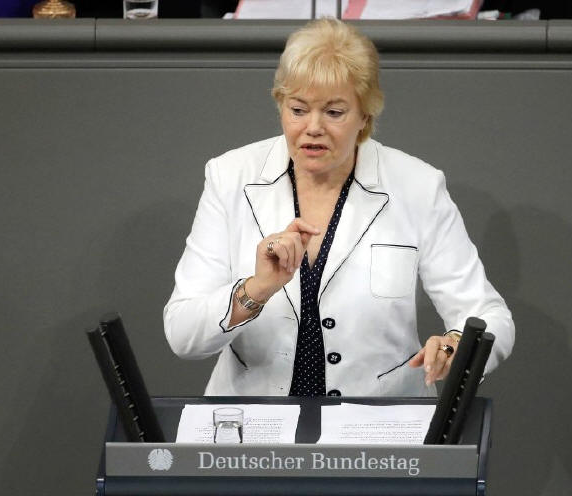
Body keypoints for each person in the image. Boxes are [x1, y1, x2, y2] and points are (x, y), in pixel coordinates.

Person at [164, 18, 514, 397]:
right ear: (280, 105)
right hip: (253, 431)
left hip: (377, 435)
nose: (313, 127)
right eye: (298, 109)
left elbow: (490, 317)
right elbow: (183, 334)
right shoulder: (230, 176)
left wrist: (455, 345)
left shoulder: (417, 186)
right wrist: (256, 289)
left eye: (333, 112)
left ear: (365, 115)